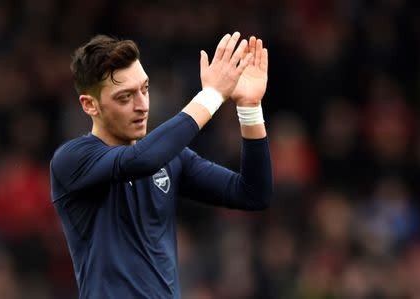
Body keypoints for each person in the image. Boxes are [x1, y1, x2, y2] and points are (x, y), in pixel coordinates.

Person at [50, 31, 273, 298]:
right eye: (125, 97)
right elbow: (140, 160)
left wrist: (249, 108)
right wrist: (212, 96)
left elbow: (252, 193)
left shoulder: (170, 157)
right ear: (90, 105)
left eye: (145, 89)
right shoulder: (72, 159)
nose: (142, 105)